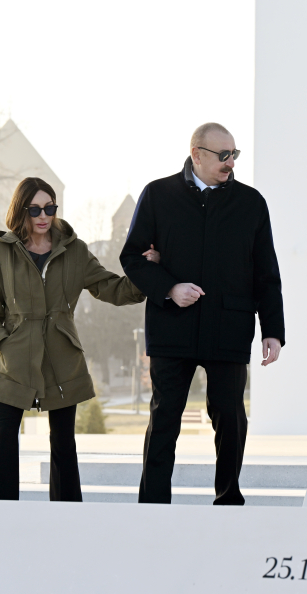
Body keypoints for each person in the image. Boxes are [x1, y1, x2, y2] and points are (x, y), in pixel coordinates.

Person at [120, 122, 285, 505]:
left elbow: (266, 272)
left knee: (230, 417)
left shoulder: (251, 203)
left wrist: (272, 330)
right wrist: (170, 288)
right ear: (196, 154)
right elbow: (132, 258)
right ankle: (153, 507)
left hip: (229, 326)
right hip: (171, 327)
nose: (230, 162)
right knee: (164, 418)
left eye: (234, 154)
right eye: (223, 155)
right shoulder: (158, 195)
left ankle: (228, 501)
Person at [0, 177, 160, 501]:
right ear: (21, 210)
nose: (43, 216)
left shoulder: (75, 251)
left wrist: (146, 273)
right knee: (3, 435)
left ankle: (67, 514)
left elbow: (111, 287)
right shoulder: (0, 252)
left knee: (63, 440)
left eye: (50, 208)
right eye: (35, 209)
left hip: (63, 357)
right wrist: (3, 345)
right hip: (15, 360)